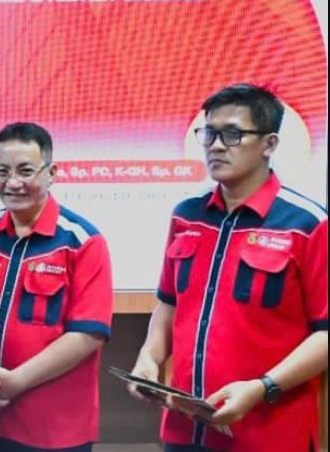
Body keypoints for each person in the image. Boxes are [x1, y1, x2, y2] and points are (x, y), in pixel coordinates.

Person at [128, 84, 327, 451]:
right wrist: (150, 357)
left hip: (269, 434)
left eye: (232, 134)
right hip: (186, 430)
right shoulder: (187, 216)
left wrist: (262, 388)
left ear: (269, 144)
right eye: (209, 133)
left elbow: (325, 334)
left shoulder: (308, 224)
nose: (216, 146)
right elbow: (169, 303)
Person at [0, 122, 114, 452]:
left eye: (25, 171)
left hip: (52, 428)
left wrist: (16, 382)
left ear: (51, 173)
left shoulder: (82, 242)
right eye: (2, 171)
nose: (12, 182)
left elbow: (87, 335)